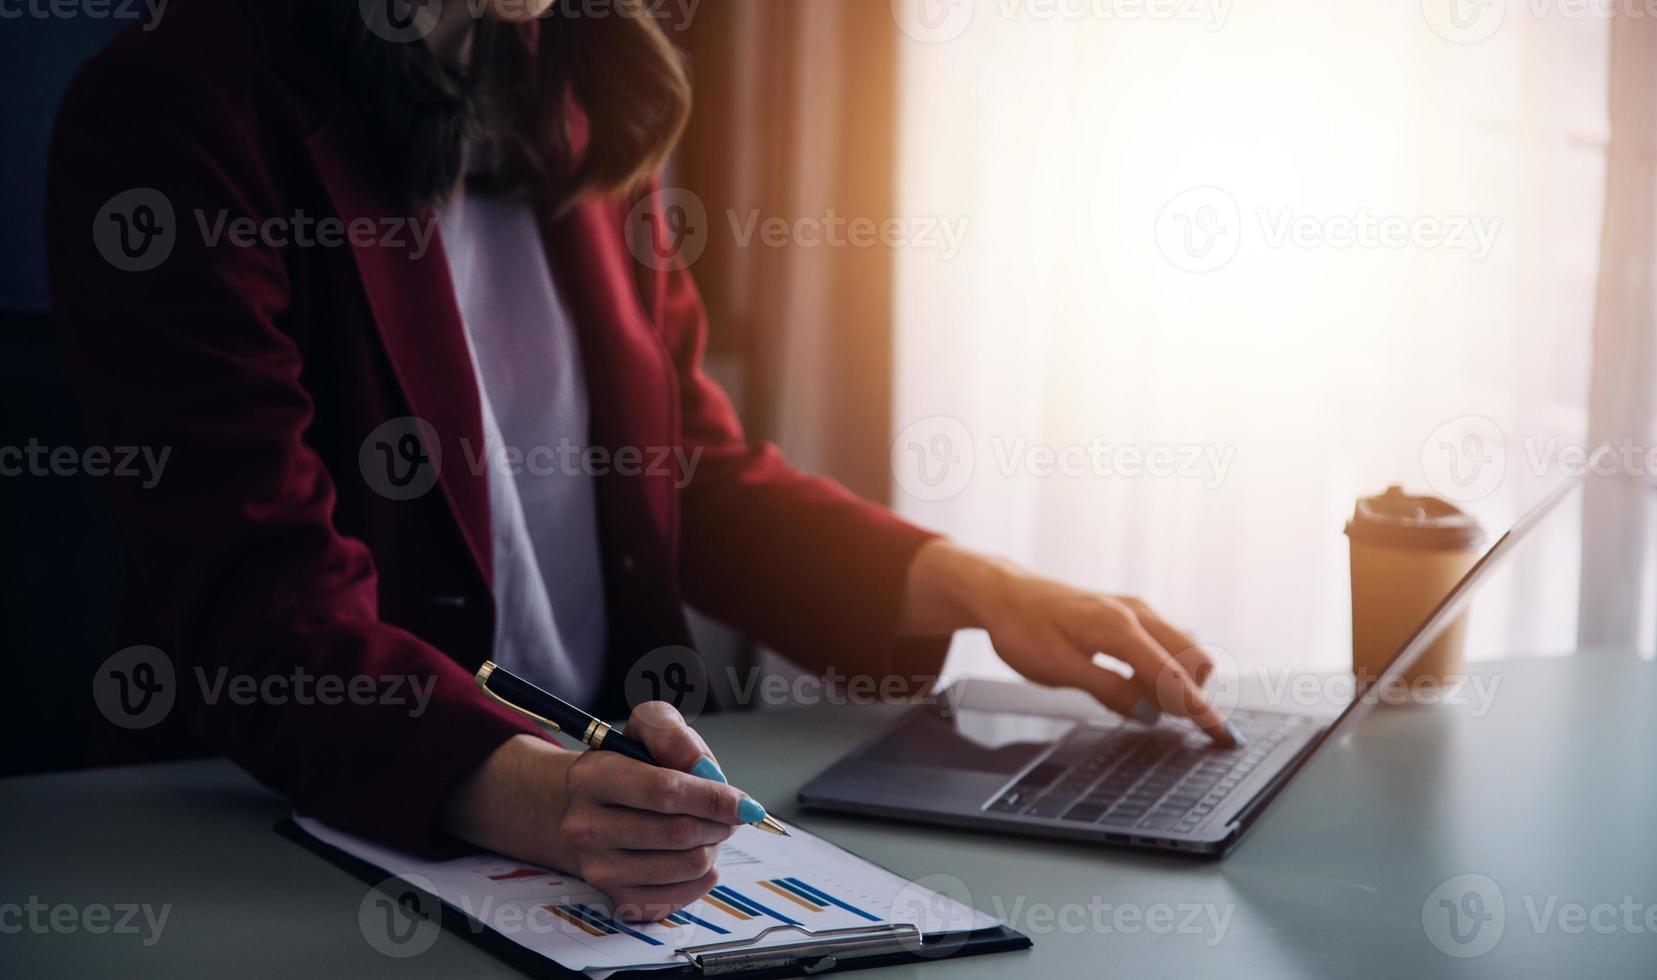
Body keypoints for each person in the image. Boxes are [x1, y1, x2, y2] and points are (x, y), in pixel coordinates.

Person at [45, 0, 1231, 920]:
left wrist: (979, 588)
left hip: (598, 837)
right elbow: (267, 608)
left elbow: (688, 472)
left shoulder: (565, 88)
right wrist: (534, 792)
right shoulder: (174, 110)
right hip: (283, 842)